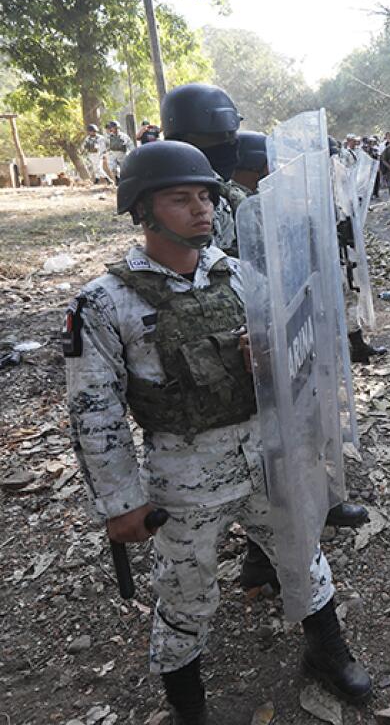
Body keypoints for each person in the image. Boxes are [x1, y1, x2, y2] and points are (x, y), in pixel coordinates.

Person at [63, 141, 370, 723]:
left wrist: (273, 360)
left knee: (302, 556)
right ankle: (189, 707)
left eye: (205, 196)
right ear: (143, 210)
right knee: (185, 594)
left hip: (264, 458)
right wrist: (121, 503)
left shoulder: (240, 277)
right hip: (184, 478)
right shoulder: (105, 303)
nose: (201, 209)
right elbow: (93, 409)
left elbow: (298, 352)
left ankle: (328, 654)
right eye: (181, 199)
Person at [159, 83, 249, 256]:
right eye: (216, 137)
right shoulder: (182, 196)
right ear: (184, 140)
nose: (230, 143)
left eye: (232, 134)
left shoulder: (225, 186)